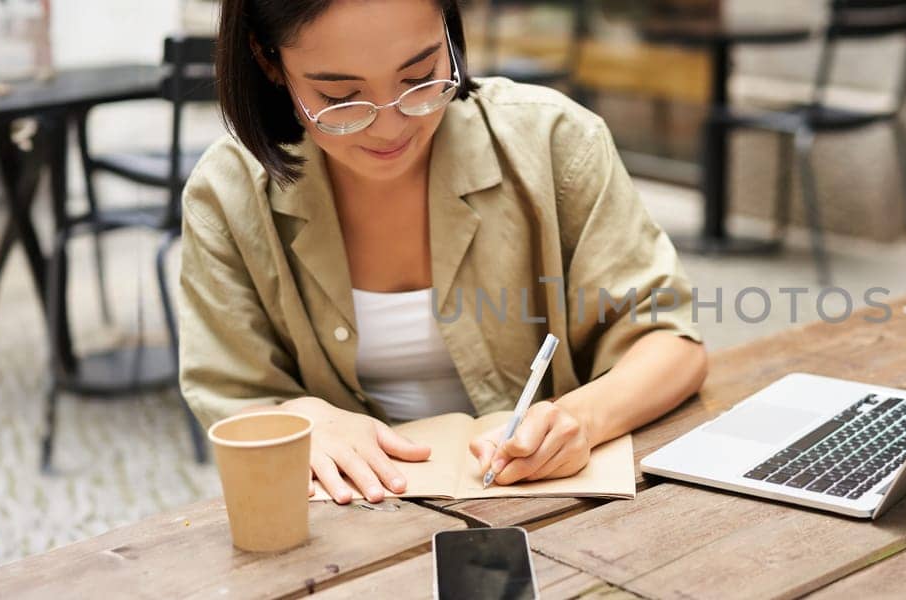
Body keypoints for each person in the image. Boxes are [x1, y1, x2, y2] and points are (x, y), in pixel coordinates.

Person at [181, 0, 707, 504]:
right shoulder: (228, 196)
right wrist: (303, 418)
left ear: (450, 32)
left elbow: (670, 342)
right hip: (352, 527)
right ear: (267, 59)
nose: (391, 127)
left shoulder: (554, 143)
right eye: (341, 98)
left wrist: (582, 418)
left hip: (552, 508)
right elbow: (232, 394)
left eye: (420, 77)